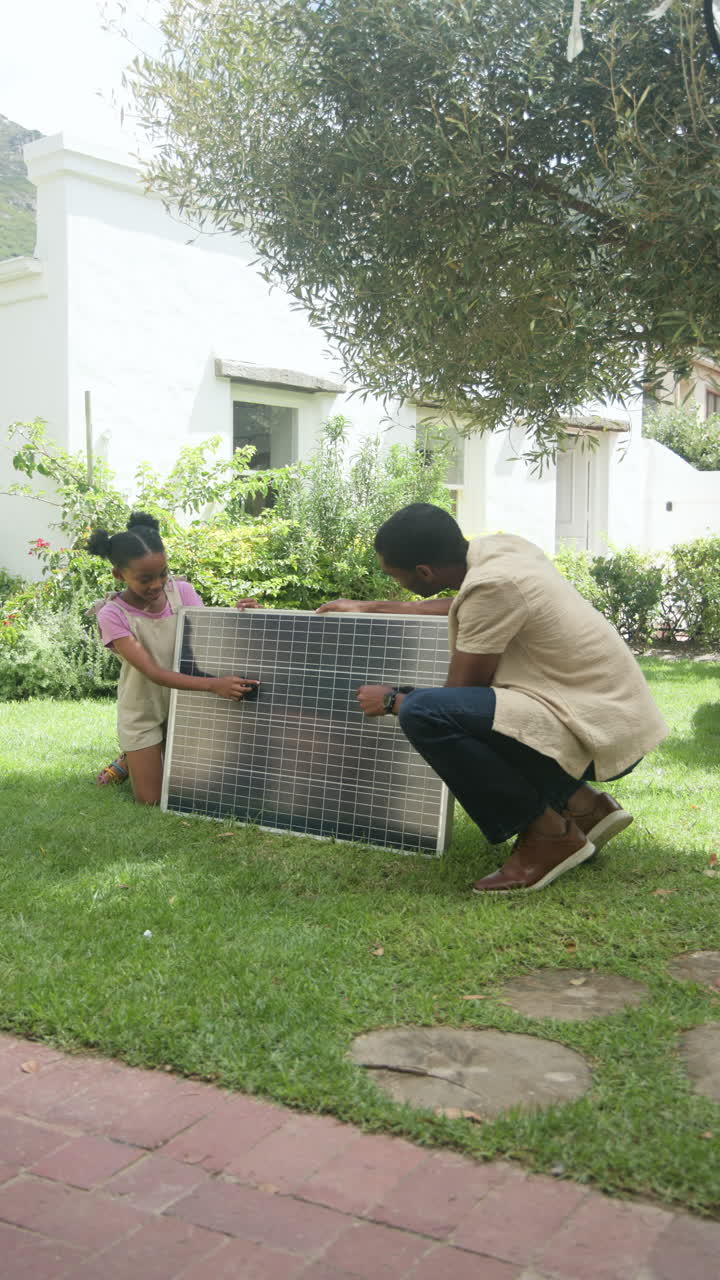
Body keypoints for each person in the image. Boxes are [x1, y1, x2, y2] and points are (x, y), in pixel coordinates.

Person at [317, 503, 667, 893]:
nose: (395, 583)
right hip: (610, 712)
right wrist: (374, 607)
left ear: (424, 572)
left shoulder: (493, 585)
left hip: (595, 725)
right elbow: (468, 606)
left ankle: (551, 837)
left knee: (425, 713)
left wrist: (392, 700)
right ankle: (584, 806)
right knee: (462, 712)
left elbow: (459, 699)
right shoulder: (501, 552)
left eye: (394, 577)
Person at [87, 512, 259, 805]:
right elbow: (153, 672)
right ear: (119, 575)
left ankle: (145, 754)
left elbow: (208, 638)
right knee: (151, 801)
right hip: (144, 707)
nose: (157, 585)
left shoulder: (182, 592)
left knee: (196, 786)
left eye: (162, 573)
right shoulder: (112, 614)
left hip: (187, 702)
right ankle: (132, 757)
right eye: (145, 579)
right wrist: (212, 686)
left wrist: (237, 613)